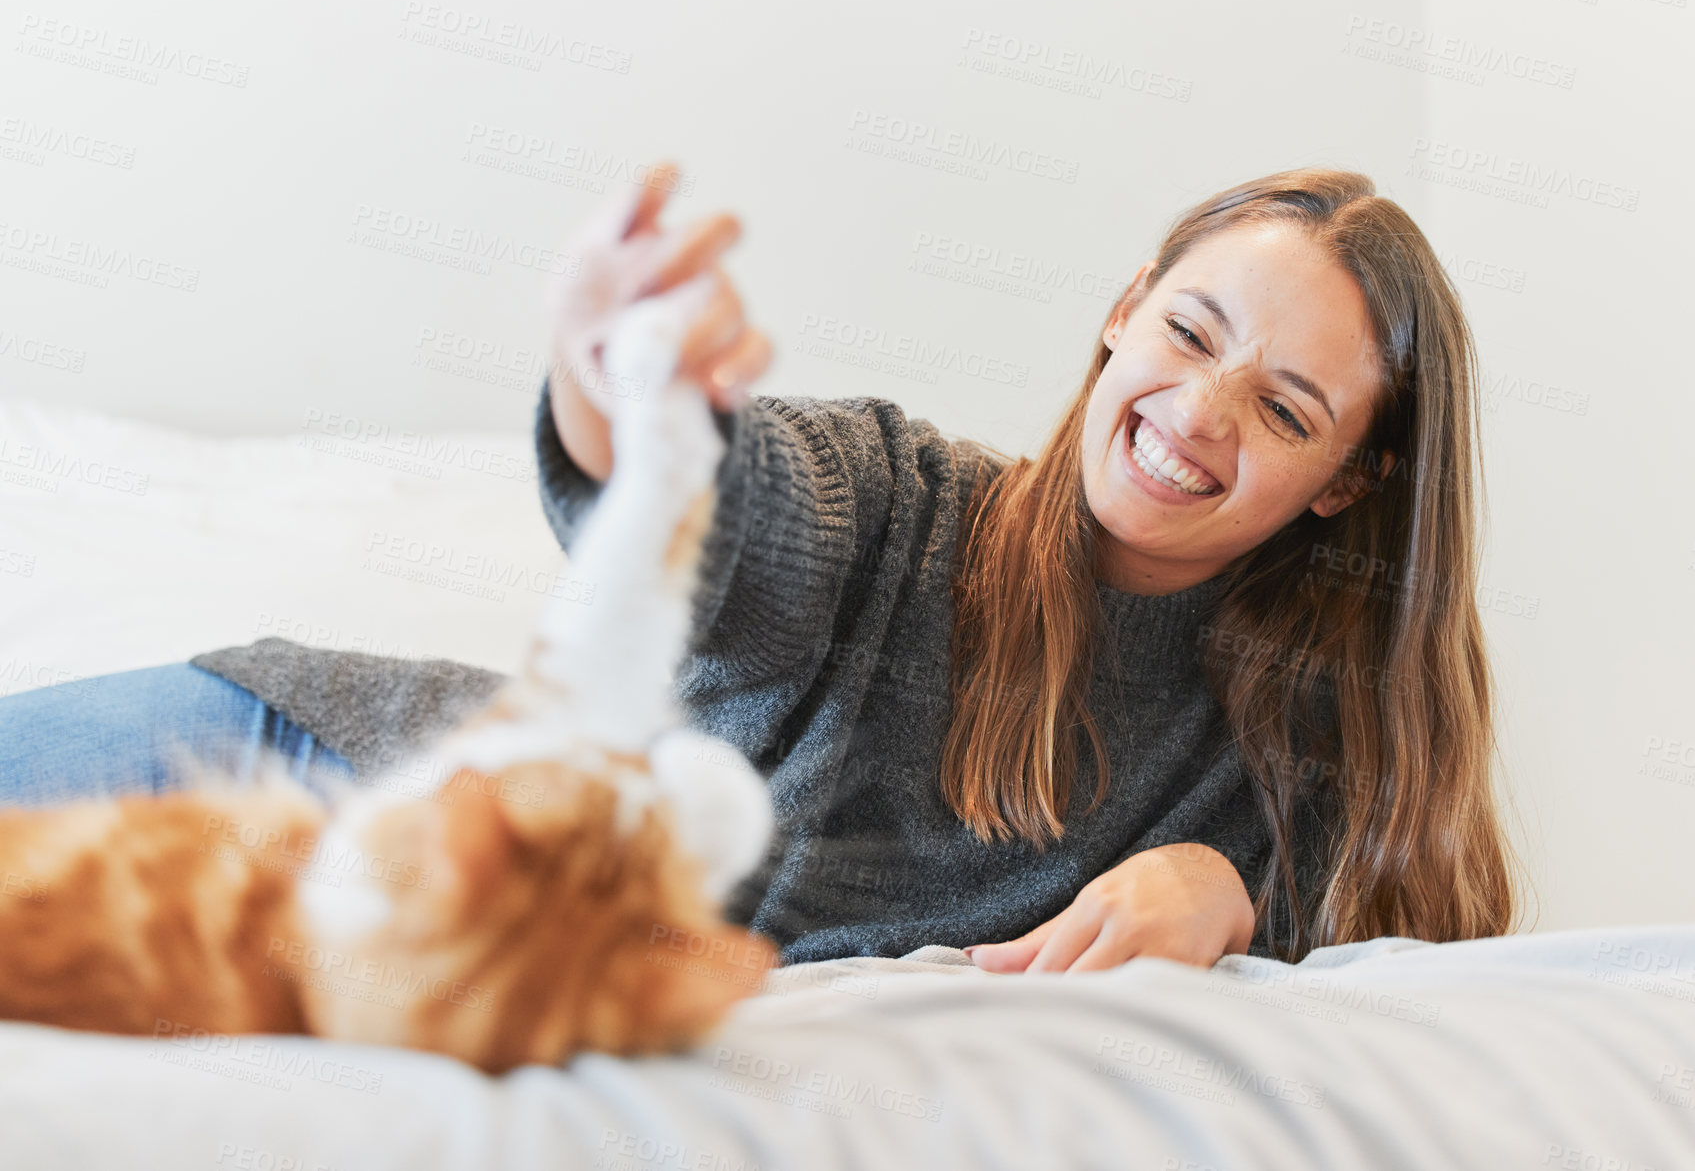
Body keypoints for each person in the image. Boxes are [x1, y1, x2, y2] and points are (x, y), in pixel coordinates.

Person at [0, 162, 1521, 971]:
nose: (1198, 413)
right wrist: (626, 387)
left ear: (1352, 483)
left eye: (1286, 407)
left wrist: (1228, 893)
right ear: (1127, 307)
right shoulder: (907, 502)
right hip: (316, 761)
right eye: (1191, 332)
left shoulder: (1302, 748)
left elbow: (1417, 940)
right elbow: (714, 519)